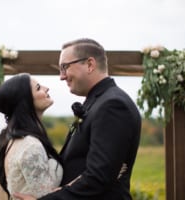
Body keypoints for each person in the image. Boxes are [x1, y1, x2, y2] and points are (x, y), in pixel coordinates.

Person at [14, 38, 141, 200]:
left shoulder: (112, 105)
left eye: (65, 67)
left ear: (90, 64)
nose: (61, 76)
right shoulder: (98, 101)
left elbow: (99, 176)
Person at [0, 73, 63, 199]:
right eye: (38, 88)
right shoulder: (30, 146)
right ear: (25, 101)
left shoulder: (20, 140)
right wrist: (81, 182)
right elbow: (46, 197)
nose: (46, 88)